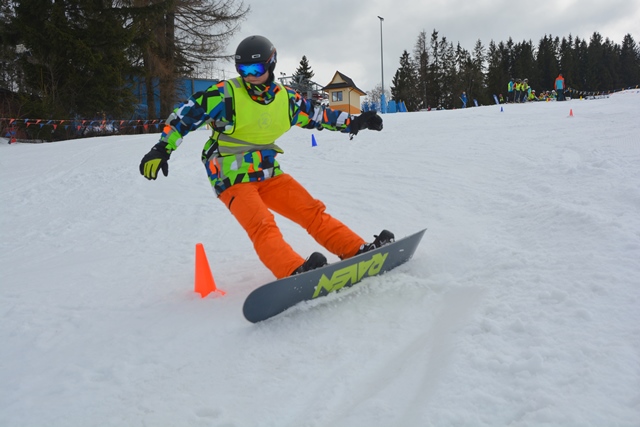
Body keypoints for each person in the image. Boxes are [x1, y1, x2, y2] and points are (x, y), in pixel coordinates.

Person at [139, 35, 393, 279]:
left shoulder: (286, 99)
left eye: (256, 68)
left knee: (311, 211)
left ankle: (356, 249)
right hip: (229, 173)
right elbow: (184, 117)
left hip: (267, 171)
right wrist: (162, 149)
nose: (250, 76)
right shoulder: (224, 94)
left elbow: (318, 115)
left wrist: (355, 122)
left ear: (271, 65)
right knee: (262, 224)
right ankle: (292, 270)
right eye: (243, 70)